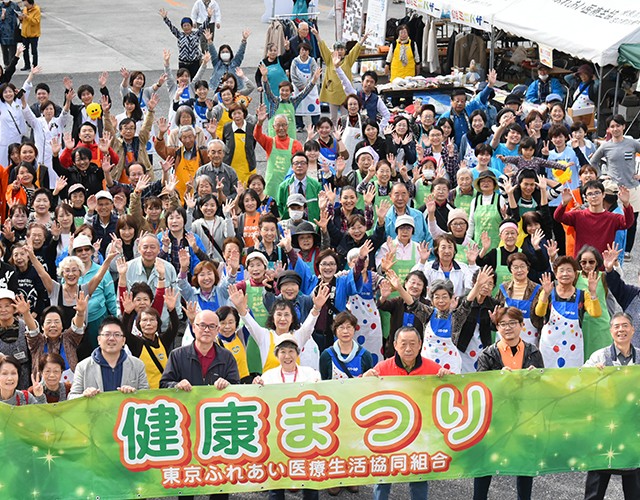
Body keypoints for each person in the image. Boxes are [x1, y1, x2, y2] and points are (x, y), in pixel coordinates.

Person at [362, 326, 450, 500]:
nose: (408, 349)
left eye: (412, 344)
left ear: (420, 345)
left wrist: (448, 376)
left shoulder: (433, 368)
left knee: (419, 476)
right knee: (383, 476)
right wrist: (363, 379)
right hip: (389, 432)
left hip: (420, 432)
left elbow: (459, 387)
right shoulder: (382, 368)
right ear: (395, 345)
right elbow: (356, 393)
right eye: (403, 344)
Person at [474, 306, 544, 500]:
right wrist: (497, 379)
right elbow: (480, 388)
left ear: (522, 325)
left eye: (512, 323)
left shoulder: (533, 352)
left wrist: (535, 378)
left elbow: (543, 386)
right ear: (497, 327)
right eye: (502, 324)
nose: (507, 328)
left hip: (524, 417)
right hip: (494, 418)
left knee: (524, 465)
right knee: (485, 464)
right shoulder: (488, 355)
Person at [583, 312, 640, 500]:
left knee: (635, 492)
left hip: (634, 431)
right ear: (611, 331)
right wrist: (592, 375)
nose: (621, 330)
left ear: (633, 330)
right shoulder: (600, 356)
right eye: (616, 326)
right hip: (605, 430)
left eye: (625, 326)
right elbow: (580, 381)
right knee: (595, 491)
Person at [535, 257, 601, 368]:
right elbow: (539, 313)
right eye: (561, 270)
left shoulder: (582, 295)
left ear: (575, 274)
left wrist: (593, 292)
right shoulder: (547, 292)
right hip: (549, 346)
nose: (565, 273)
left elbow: (596, 313)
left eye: (569, 270)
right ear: (555, 274)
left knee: (572, 379)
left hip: (573, 347)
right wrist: (545, 295)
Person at [590, 115, 640, 259]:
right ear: (608, 129)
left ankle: (627, 251)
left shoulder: (632, 143)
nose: (615, 129)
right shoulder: (605, 145)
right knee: (611, 218)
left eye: (618, 126)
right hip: (613, 189)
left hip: (632, 188)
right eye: (612, 126)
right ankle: (610, 246)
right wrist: (601, 176)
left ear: (624, 126)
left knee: (632, 220)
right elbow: (593, 161)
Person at [68, 316, 149, 399]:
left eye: (117, 335)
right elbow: (71, 397)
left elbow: (147, 396)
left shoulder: (138, 365)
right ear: (99, 339)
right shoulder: (83, 367)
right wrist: (84, 396)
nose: (112, 338)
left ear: (123, 341)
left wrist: (134, 394)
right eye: (107, 334)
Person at [555, 180, 634, 258]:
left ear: (603, 195)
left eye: (597, 192)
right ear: (585, 198)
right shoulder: (578, 215)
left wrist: (626, 204)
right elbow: (558, 217)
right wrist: (563, 203)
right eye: (590, 194)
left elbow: (628, 223)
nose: (594, 196)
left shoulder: (613, 218)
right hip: (582, 264)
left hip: (604, 265)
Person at [121, 287, 179, 389]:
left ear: (158, 323)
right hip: (146, 395)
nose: (148, 323)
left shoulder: (163, 340)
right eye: (144, 320)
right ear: (138, 324)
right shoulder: (137, 344)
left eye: (152, 319)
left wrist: (171, 310)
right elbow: (123, 332)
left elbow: (174, 327)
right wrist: (127, 313)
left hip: (165, 393)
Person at [125, 233, 181, 330]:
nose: (149, 250)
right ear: (139, 249)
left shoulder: (168, 268)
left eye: (153, 247)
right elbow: (121, 296)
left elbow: (175, 295)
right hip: (134, 326)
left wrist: (176, 317)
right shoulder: (128, 268)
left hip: (162, 324)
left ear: (159, 248)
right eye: (145, 247)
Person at [452, 266, 501, 372]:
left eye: (490, 284)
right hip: (463, 346)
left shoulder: (494, 304)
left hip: (482, 346)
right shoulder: (462, 301)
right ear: (475, 282)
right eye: (483, 282)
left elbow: (495, 328)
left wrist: (495, 321)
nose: (486, 286)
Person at [254, 103, 303, 198]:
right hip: (271, 186)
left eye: (284, 125)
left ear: (288, 126)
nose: (281, 128)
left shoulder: (296, 144)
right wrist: (260, 122)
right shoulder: (269, 142)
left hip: (289, 186)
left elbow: (301, 165)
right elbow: (257, 135)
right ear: (273, 127)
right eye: (278, 125)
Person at [495, 253, 544, 345]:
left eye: (522, 266)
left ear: (528, 268)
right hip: (505, 338)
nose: (520, 270)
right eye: (515, 267)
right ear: (510, 270)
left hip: (530, 339)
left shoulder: (538, 289)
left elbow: (541, 317)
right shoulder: (503, 288)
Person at [441, 70, 497, 146]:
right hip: (452, 149)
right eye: (457, 101)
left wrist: (490, 85)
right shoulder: (445, 116)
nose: (460, 103)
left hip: (470, 148)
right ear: (451, 101)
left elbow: (481, 98)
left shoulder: (470, 108)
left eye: (462, 101)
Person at [18, 0, 39, 70]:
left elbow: (36, 22)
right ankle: (27, 65)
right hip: (25, 34)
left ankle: (35, 66)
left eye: (27, 5)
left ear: (32, 4)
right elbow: (24, 22)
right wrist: (21, 19)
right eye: (25, 5)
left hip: (33, 34)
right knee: (25, 51)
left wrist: (27, 17)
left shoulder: (37, 10)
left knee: (34, 51)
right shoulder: (25, 9)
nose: (26, 7)